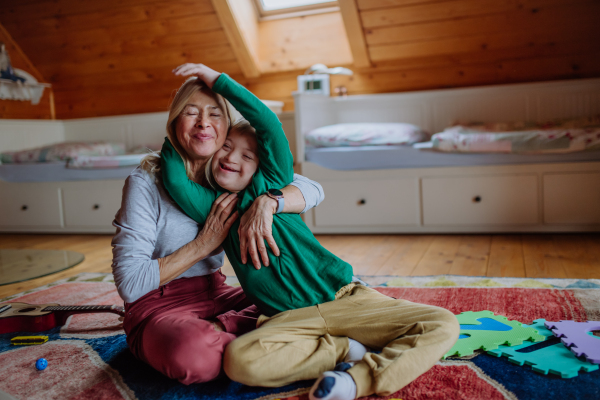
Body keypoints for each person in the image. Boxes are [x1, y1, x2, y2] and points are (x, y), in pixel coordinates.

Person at [161, 64, 460, 400]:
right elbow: (173, 177)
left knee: (443, 323)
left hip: (344, 298)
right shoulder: (213, 208)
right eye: (225, 148)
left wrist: (218, 81)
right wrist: (182, 125)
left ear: (263, 164)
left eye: (247, 154)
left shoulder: (272, 182)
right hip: (288, 319)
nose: (232, 157)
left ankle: (357, 381)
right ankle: (345, 350)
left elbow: (269, 124)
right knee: (239, 362)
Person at [111, 69, 326, 385]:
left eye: (214, 114)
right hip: (157, 306)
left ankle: (235, 334)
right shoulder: (145, 183)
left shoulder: (228, 171)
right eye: (191, 113)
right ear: (174, 123)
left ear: (227, 127)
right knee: (194, 355)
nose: (203, 123)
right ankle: (281, 340)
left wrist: (268, 202)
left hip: (219, 294)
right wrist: (204, 243)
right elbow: (130, 284)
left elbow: (313, 189)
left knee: (313, 298)